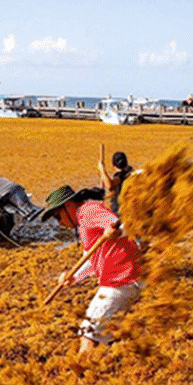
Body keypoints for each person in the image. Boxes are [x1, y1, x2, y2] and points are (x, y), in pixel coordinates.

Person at [38, 185, 142, 353]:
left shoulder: (88, 211)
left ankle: (82, 372)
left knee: (89, 334)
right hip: (125, 280)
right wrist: (73, 277)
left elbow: (120, 226)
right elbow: (91, 260)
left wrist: (115, 232)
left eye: (58, 216)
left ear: (69, 206)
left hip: (121, 280)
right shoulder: (82, 223)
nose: (60, 223)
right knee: (109, 335)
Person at [98, 151, 134, 215]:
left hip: (121, 214)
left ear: (113, 165)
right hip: (130, 210)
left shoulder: (121, 176)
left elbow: (110, 186)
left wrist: (102, 170)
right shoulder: (131, 171)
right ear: (126, 163)